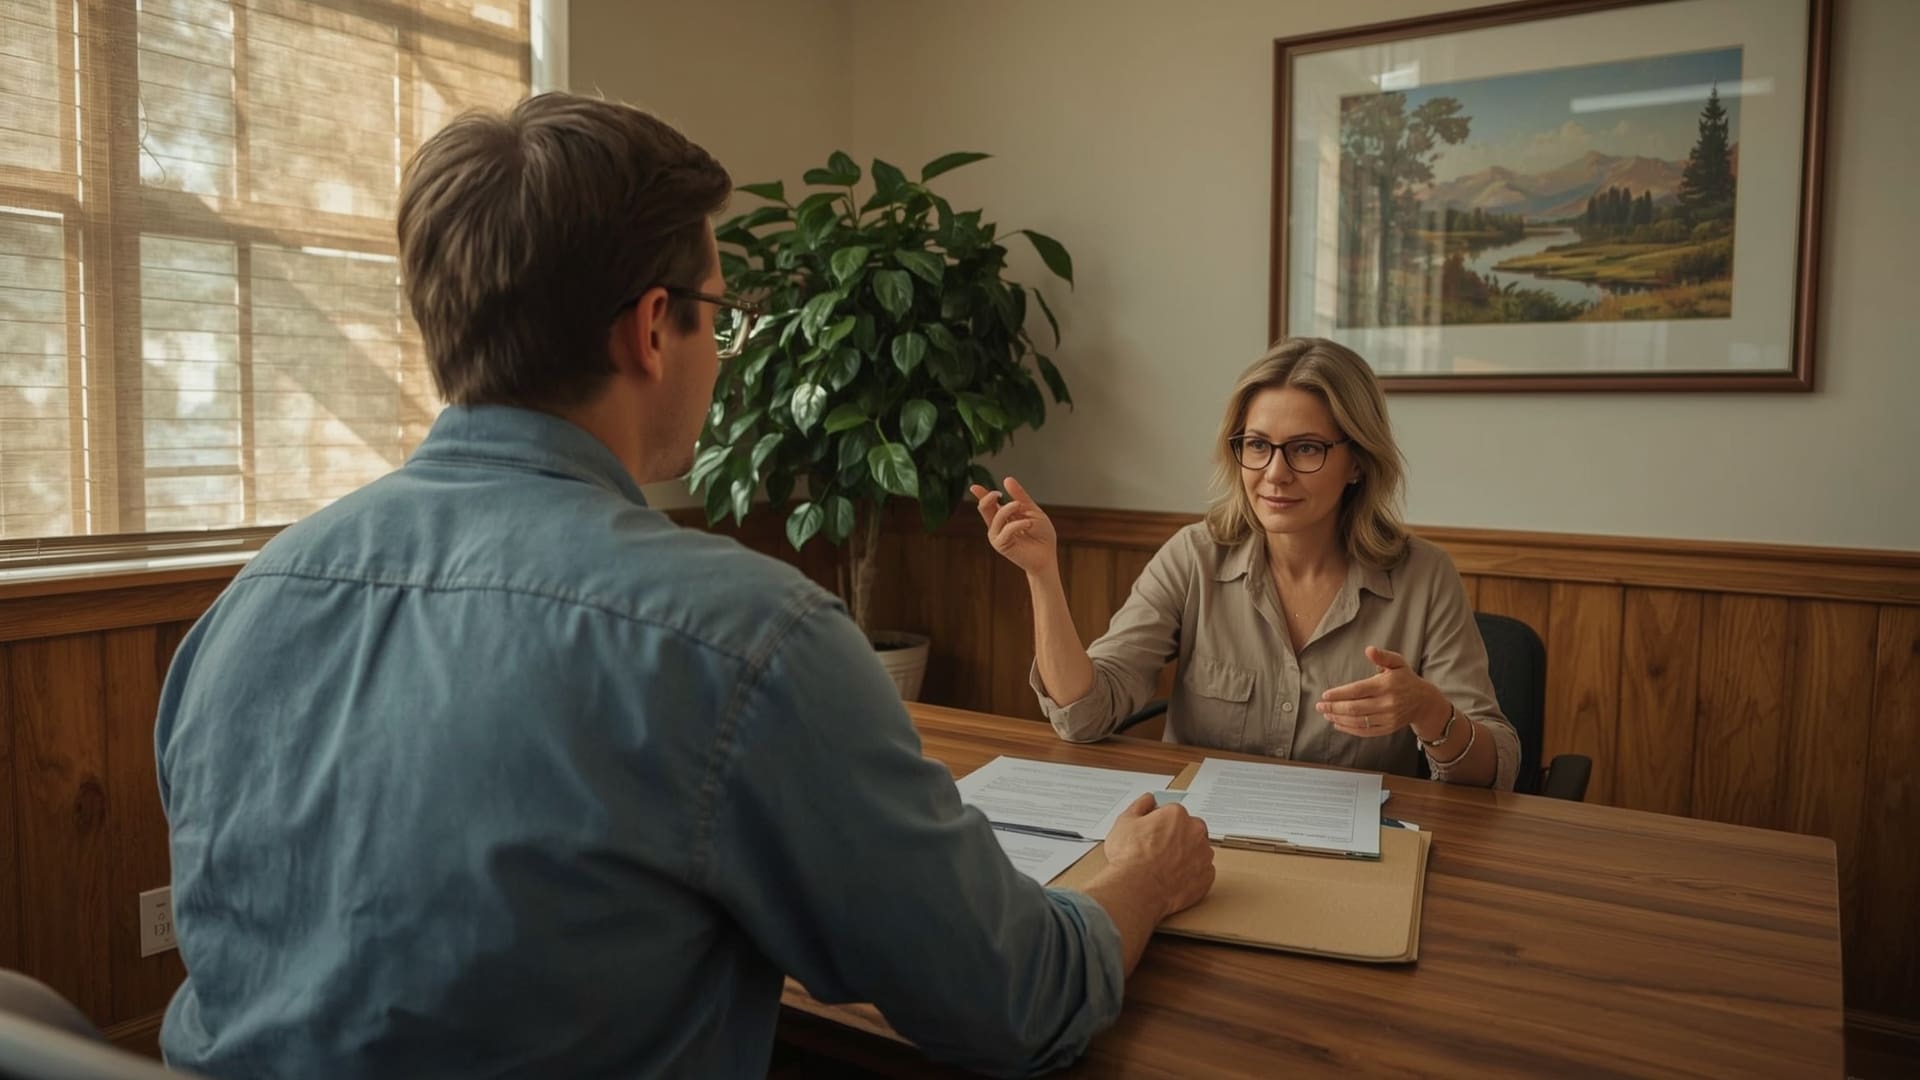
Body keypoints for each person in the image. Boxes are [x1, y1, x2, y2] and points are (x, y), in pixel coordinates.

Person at [153, 92, 1215, 1079]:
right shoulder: (746, 638)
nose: (726, 351)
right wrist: (1141, 877)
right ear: (651, 329)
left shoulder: (240, 612)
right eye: (722, 313)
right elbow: (1015, 998)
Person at [972, 337, 1520, 790]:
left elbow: (1495, 769)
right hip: (1198, 844)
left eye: (1306, 449)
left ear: (1356, 461)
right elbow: (1084, 715)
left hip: (1356, 860)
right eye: (1257, 445)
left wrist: (1429, 710)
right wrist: (1042, 574)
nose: (1274, 474)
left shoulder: (1425, 577)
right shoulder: (1194, 556)